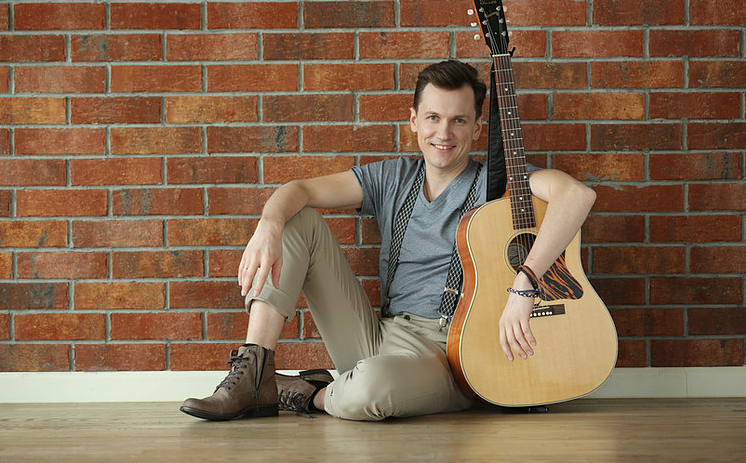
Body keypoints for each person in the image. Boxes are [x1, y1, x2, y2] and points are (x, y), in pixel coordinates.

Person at [180, 59, 596, 421]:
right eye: (433, 117)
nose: (444, 132)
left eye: (458, 120)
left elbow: (577, 196)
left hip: (448, 355)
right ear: (414, 120)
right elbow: (299, 189)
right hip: (377, 336)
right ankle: (254, 376)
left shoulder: (498, 183)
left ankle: (310, 393)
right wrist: (268, 225)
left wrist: (525, 282)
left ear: (477, 127)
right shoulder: (393, 177)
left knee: (372, 388)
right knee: (297, 218)